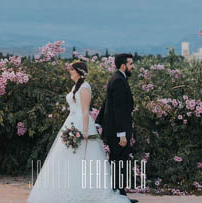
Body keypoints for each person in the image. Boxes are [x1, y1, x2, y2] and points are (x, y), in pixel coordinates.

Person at [27, 60, 129, 202]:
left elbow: (85, 111)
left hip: (82, 125)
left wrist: (85, 131)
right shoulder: (75, 86)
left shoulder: (85, 87)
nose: (70, 72)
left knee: (83, 158)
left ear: (79, 72)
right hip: (71, 123)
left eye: (72, 70)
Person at [100, 53, 137, 203]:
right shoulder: (119, 81)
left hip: (114, 130)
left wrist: (98, 122)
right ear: (123, 65)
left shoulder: (116, 79)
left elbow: (106, 104)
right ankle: (119, 196)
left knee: (117, 162)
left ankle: (119, 194)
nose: (132, 66)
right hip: (118, 132)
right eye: (131, 64)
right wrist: (122, 134)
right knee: (119, 163)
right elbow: (118, 109)